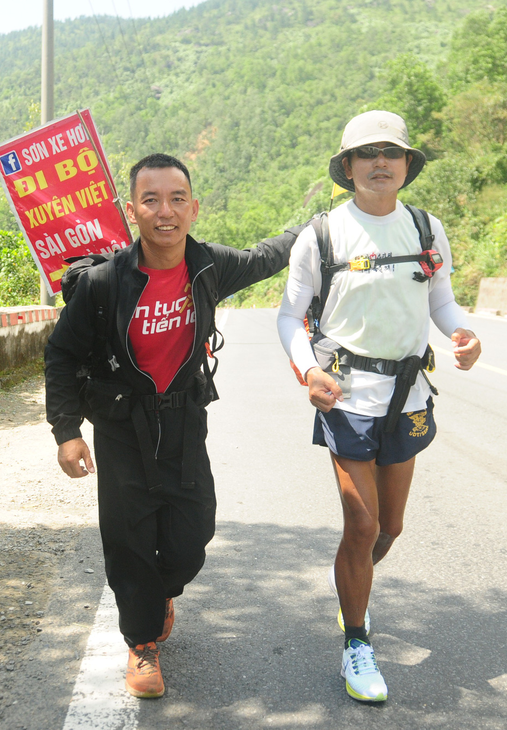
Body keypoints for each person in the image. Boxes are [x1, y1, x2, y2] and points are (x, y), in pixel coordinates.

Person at [45, 153, 305, 699]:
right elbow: (62, 356)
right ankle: (142, 643)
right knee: (128, 536)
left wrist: (315, 226)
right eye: (151, 200)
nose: (165, 211)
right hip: (122, 424)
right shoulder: (104, 283)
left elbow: (267, 257)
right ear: (132, 210)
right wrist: (67, 431)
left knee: (194, 533)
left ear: (192, 206)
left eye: (176, 199)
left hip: (185, 418)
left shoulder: (209, 265)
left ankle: (160, 592)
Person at [276, 111, 481, 703]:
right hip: (345, 397)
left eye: (392, 152)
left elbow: (440, 297)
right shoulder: (321, 236)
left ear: (407, 165)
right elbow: (290, 316)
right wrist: (308, 370)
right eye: (367, 153)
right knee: (361, 524)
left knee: (389, 528)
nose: (380, 162)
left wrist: (461, 334)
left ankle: (352, 592)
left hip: (409, 396)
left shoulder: (425, 228)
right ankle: (357, 642)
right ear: (348, 167)